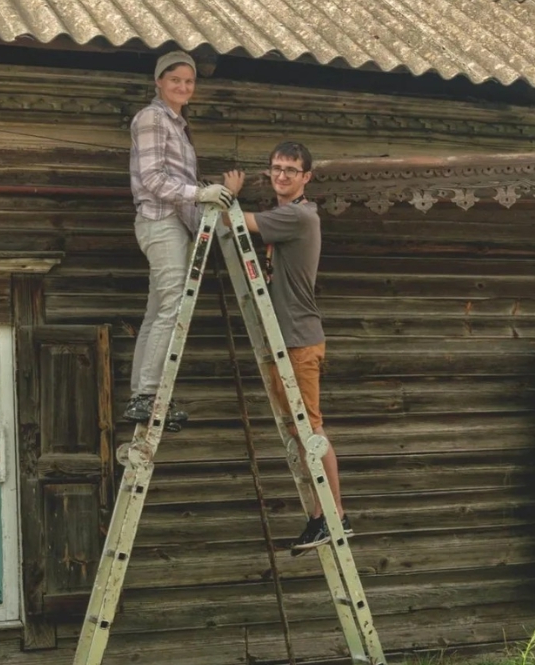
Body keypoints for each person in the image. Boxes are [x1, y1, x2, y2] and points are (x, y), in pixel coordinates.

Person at [222, 143, 351, 553]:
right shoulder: (287, 214)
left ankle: (336, 517)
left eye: (291, 170)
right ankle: (320, 517)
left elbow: (233, 221)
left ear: (306, 177)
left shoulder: (297, 215)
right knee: (300, 430)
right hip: (288, 338)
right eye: (276, 168)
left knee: (311, 430)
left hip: (298, 339)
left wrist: (226, 194)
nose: (281, 175)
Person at [125, 51, 233, 429]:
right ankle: (149, 396)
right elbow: (153, 179)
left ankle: (143, 394)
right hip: (161, 221)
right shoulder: (153, 118)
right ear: (159, 81)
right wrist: (198, 194)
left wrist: (209, 191)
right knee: (171, 308)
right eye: (175, 80)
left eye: (189, 82)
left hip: (175, 223)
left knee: (157, 312)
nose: (183, 87)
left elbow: (177, 179)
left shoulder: (177, 124)